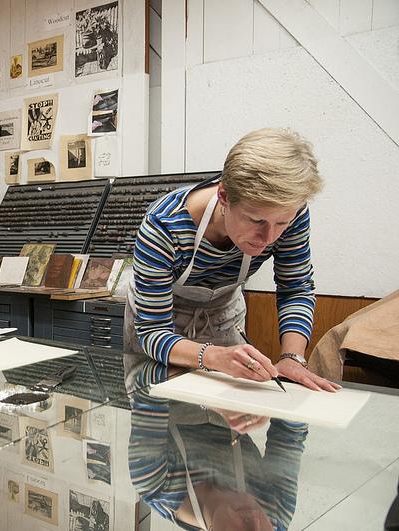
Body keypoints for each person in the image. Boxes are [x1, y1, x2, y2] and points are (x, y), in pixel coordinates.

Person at [125, 128, 339, 392]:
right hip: (159, 326)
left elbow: (295, 289)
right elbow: (153, 331)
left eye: (281, 223)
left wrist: (291, 358)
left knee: (225, 416)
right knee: (157, 408)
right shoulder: (164, 225)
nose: (268, 237)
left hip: (223, 315)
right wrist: (214, 356)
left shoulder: (291, 214)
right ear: (224, 196)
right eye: (256, 220)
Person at [128, 360, 307, 531]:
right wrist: (281, 387)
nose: (255, 520)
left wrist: (217, 400)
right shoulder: (277, 516)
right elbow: (290, 435)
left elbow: (148, 381)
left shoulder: (154, 483)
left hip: (163, 350)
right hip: (232, 357)